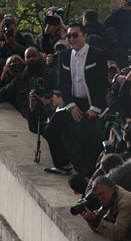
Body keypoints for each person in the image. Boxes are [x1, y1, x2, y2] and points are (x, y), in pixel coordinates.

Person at [42, 23, 108, 177]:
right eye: (69, 35)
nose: (71, 39)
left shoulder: (97, 54)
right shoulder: (64, 56)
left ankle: (87, 174)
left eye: (75, 35)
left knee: (83, 135)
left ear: (85, 36)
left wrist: (94, 108)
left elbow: (102, 84)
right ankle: (63, 164)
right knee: (50, 130)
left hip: (91, 103)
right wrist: (71, 106)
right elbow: (63, 83)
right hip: (71, 101)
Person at [77, 176, 131, 241]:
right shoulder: (109, 196)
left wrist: (95, 219)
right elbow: (97, 229)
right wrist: (90, 216)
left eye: (101, 194)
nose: (99, 198)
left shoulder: (126, 202)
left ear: (112, 190)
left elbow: (118, 233)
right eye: (97, 195)